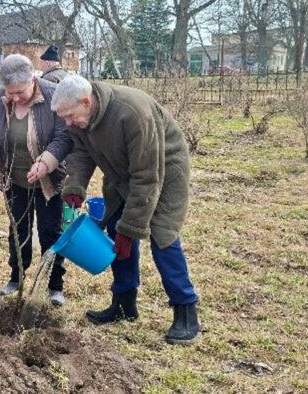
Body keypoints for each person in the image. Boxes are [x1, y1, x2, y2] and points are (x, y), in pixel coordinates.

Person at [51, 74, 200, 345]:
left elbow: (147, 176)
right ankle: (123, 303)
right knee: (114, 228)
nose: (68, 123)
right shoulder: (78, 118)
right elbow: (81, 155)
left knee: (162, 236)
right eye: (64, 119)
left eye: (70, 116)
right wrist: (74, 189)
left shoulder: (132, 113)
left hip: (163, 171)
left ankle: (185, 309)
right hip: (122, 171)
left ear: (86, 101)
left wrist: (132, 229)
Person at [0, 54, 73, 306]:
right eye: (10, 93)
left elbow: (64, 137)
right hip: (15, 178)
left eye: (20, 92)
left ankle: (54, 285)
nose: (15, 98)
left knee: (50, 232)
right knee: (18, 230)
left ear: (32, 79)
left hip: (48, 180)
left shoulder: (55, 95)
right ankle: (16, 277)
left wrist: (45, 163)